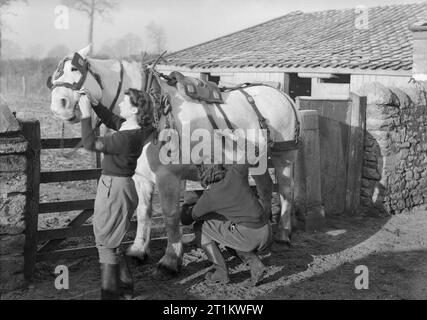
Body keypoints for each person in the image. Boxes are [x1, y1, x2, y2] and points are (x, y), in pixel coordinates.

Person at [78, 88, 154, 300]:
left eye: (125, 102)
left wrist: (85, 113)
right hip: (121, 186)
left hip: (114, 189)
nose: (120, 104)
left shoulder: (126, 138)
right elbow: (112, 119)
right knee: (113, 241)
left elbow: (90, 144)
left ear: (135, 109)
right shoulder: (137, 128)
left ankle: (110, 296)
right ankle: (126, 289)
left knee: (105, 245)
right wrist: (94, 104)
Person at [181, 164, 272, 286]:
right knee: (228, 226)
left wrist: (187, 204)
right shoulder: (236, 171)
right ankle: (254, 263)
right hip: (266, 230)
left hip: (250, 237)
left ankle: (220, 272)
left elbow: (185, 219)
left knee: (200, 227)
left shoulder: (210, 197)